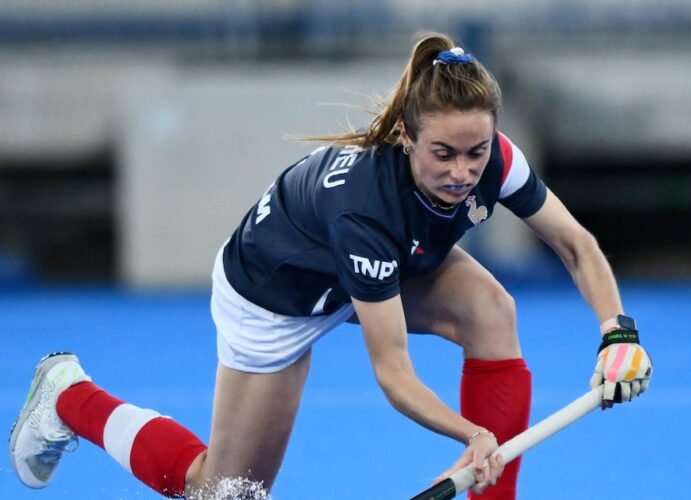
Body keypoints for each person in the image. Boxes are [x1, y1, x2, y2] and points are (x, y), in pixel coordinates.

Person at [10, 32, 652, 499]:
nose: (462, 173)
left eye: (476, 152)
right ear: (405, 136)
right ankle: (70, 397)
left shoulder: (496, 159)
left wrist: (617, 332)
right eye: (443, 154)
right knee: (223, 494)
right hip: (275, 295)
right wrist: (471, 434)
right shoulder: (364, 214)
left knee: (490, 310)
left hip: (389, 265)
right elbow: (393, 372)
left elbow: (576, 245)